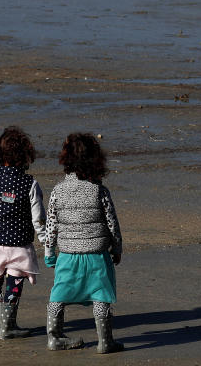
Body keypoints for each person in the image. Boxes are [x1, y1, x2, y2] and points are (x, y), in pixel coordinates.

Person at [44, 133, 123, 353]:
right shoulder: (99, 191)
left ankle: (54, 337)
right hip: (97, 255)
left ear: (65, 159)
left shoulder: (58, 191)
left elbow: (51, 225)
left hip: (68, 255)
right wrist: (116, 248)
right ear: (97, 160)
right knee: (101, 296)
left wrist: (49, 252)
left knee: (59, 294)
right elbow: (112, 224)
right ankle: (105, 341)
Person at [0, 126, 47, 339]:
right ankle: (8, 326)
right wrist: (45, 241)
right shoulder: (30, 184)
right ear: (26, 157)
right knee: (14, 283)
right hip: (19, 245)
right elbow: (38, 219)